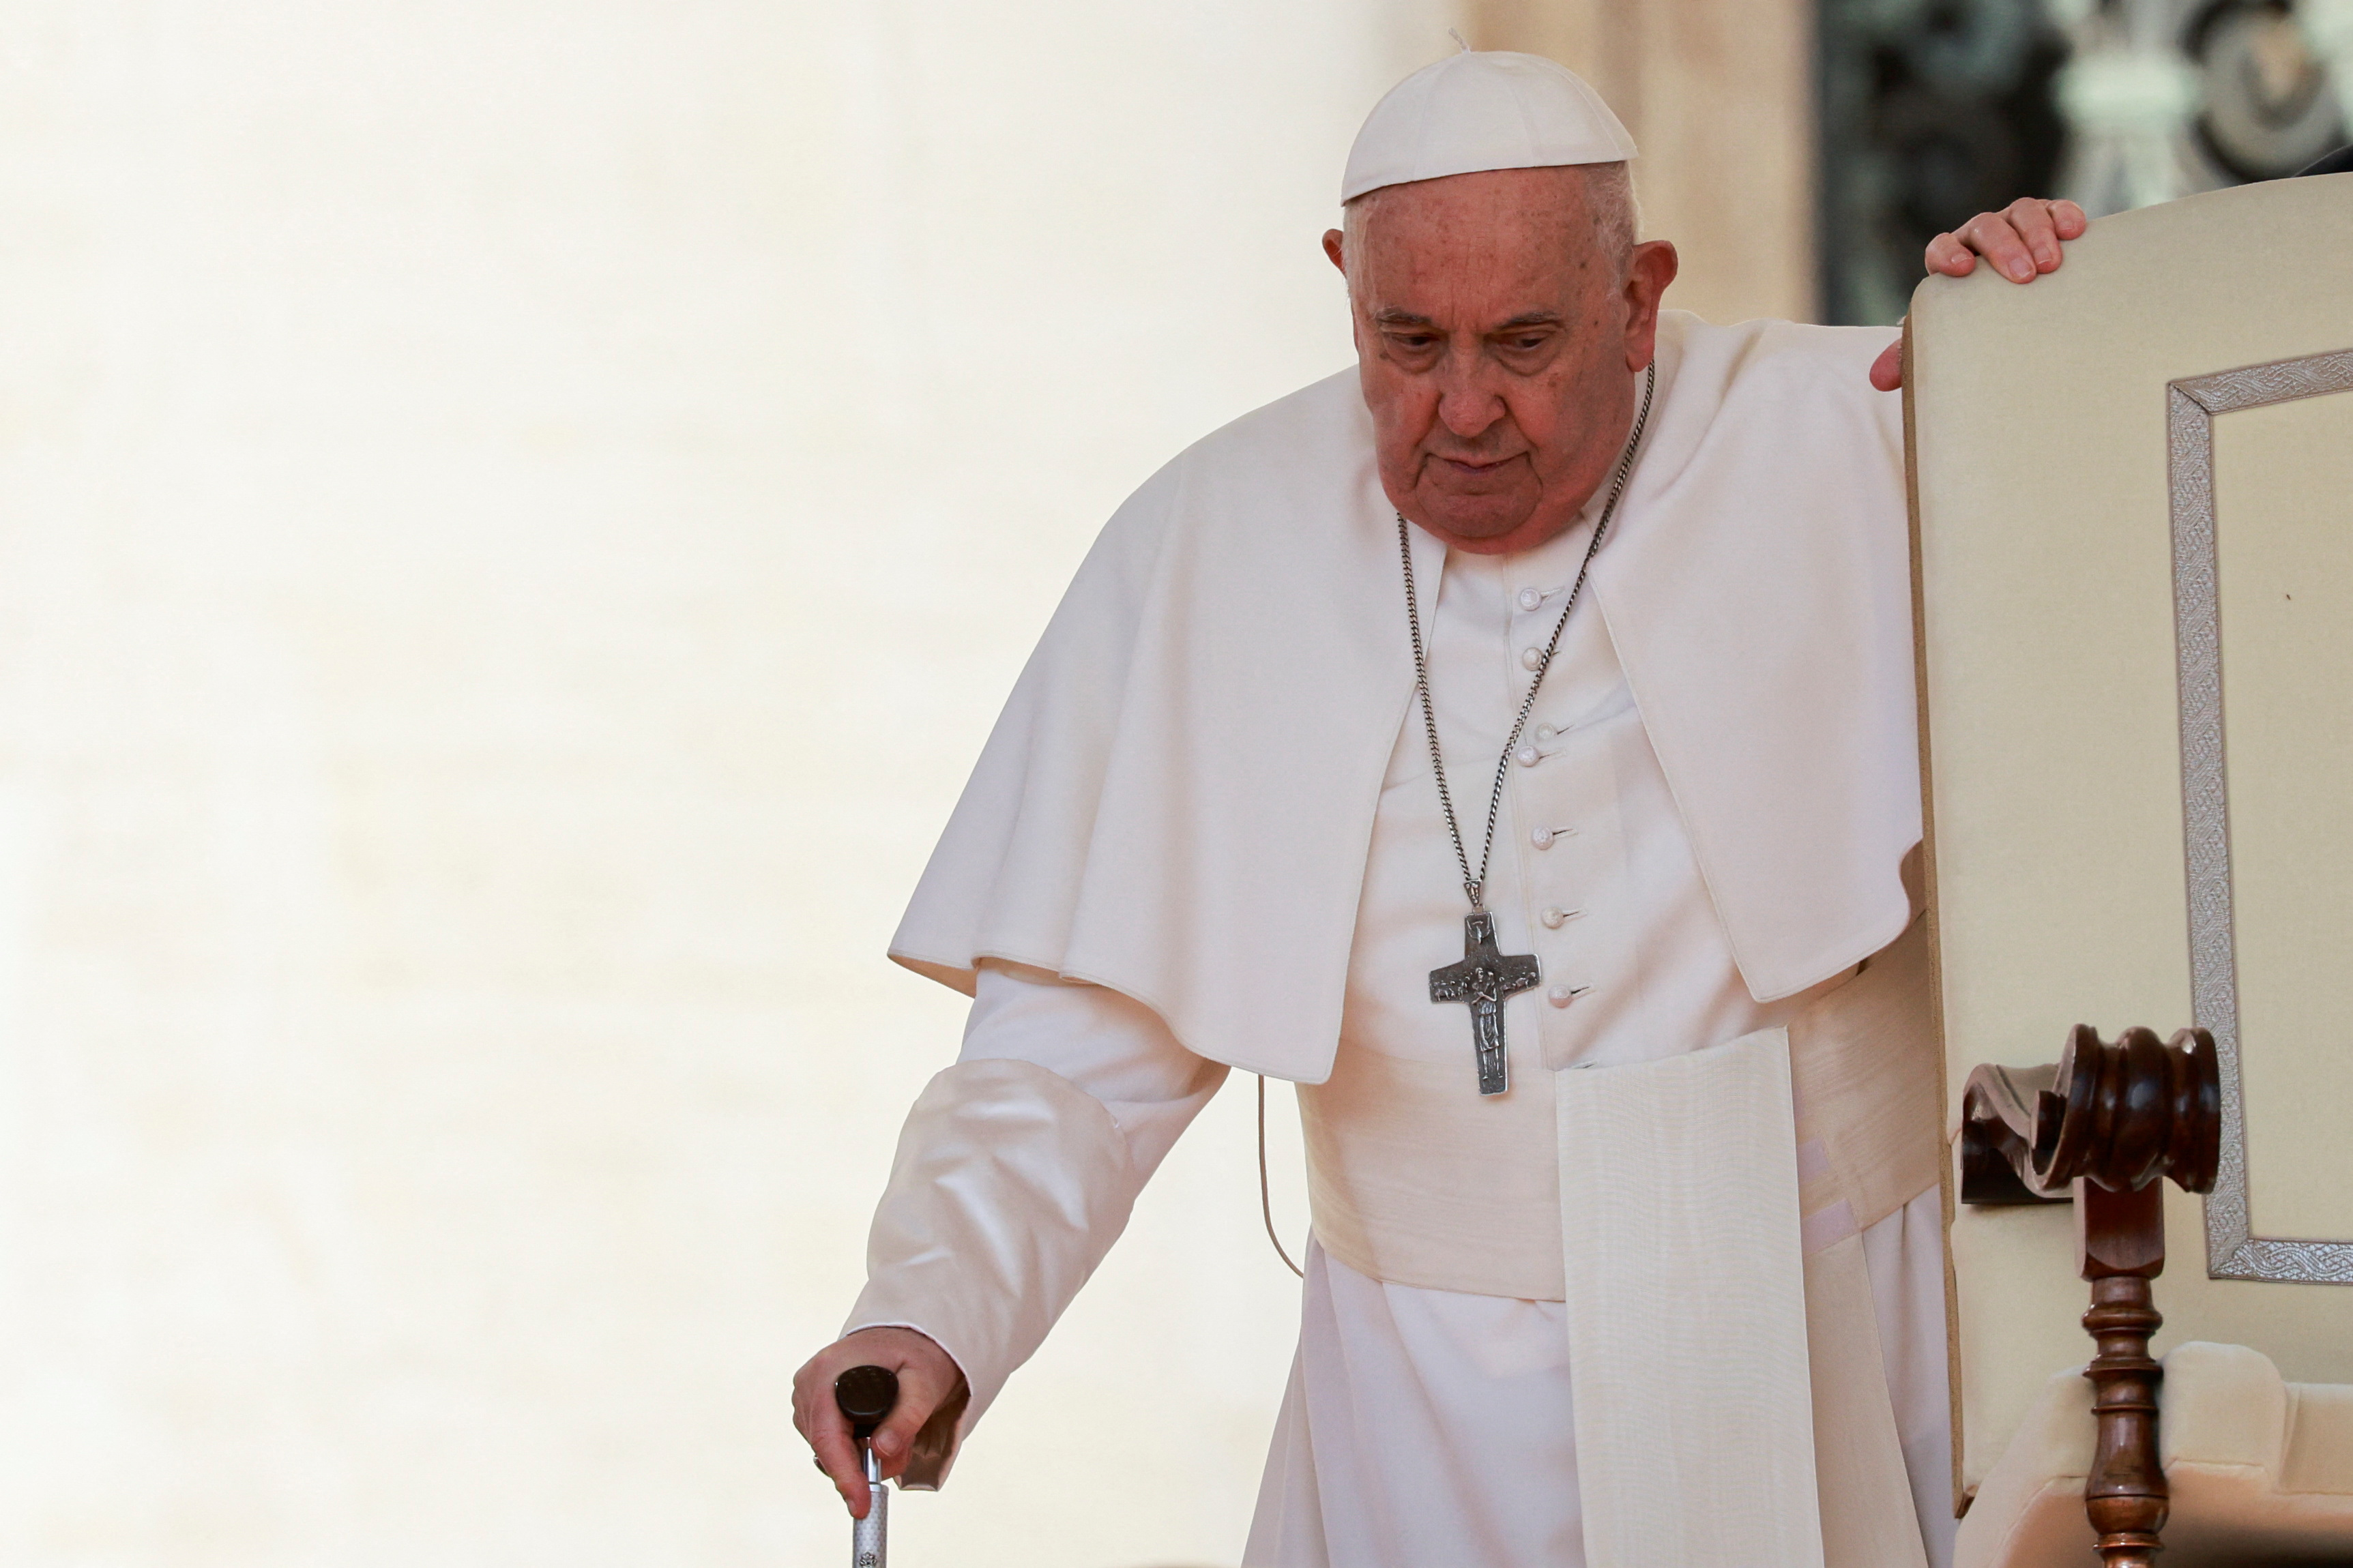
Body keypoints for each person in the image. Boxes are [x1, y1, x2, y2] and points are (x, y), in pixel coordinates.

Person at [795, 48, 2086, 1568]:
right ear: (1344, 281)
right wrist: (930, 1308)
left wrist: (2052, 332)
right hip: (1417, 1395)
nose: (1461, 408)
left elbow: (2165, 617)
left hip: (1826, 1337)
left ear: (1639, 294)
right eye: (1405, 341)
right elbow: (1072, 1054)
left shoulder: (1864, 423)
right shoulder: (1211, 546)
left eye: (1524, 342)